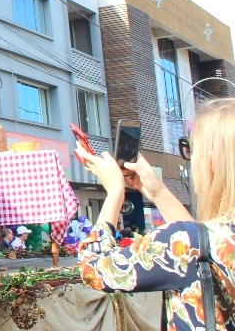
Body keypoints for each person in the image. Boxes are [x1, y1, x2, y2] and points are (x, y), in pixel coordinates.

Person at [76, 98, 235, 331]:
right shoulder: (215, 239)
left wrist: (115, 192)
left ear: (211, 160)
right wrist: (157, 192)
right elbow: (205, 251)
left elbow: (93, 269)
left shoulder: (184, 242)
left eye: (192, 150)